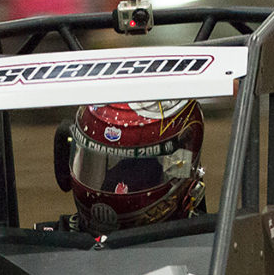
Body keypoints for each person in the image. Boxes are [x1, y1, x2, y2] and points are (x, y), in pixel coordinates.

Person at [55, 98, 206, 235]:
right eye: (94, 157)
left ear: (182, 165)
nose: (111, 191)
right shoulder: (51, 243)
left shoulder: (206, 246)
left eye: (141, 166)